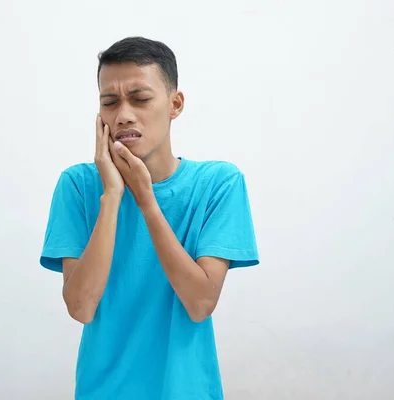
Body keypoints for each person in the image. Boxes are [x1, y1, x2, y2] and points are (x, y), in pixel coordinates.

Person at [39, 36, 259, 400]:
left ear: (175, 104)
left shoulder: (218, 184)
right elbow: (80, 307)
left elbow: (200, 302)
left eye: (140, 99)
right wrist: (111, 196)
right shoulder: (78, 186)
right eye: (109, 102)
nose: (123, 114)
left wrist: (146, 200)